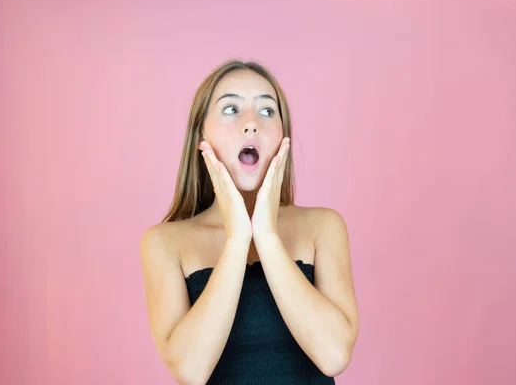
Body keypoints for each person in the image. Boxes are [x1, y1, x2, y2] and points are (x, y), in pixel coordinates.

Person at [139, 60, 359, 384]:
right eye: (231, 109)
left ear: (284, 137)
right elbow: (190, 371)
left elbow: (334, 355)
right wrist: (237, 239)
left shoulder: (323, 227)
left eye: (267, 111)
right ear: (201, 133)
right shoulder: (163, 243)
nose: (251, 124)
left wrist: (267, 236)